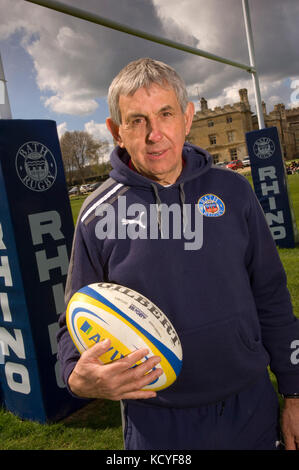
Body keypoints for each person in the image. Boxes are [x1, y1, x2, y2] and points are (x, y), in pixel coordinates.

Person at [57, 58, 299, 450]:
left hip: (250, 407)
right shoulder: (97, 214)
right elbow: (73, 317)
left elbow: (271, 295)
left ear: (187, 118)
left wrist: (294, 392)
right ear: (116, 132)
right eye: (136, 120)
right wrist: (74, 373)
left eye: (165, 114)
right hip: (157, 421)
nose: (154, 134)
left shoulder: (233, 191)